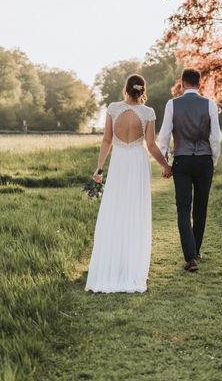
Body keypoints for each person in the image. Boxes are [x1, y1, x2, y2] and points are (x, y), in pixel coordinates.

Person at [85, 74, 172, 293]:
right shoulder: (148, 112)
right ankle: (132, 265)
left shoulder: (113, 108)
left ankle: (113, 264)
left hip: (119, 163)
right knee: (135, 211)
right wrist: (165, 165)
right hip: (137, 161)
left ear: (126, 89)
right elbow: (151, 145)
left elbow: (107, 140)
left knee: (115, 209)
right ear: (142, 90)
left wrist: (99, 169)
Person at [158, 68, 222, 272]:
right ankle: (196, 250)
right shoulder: (210, 104)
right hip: (204, 161)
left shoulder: (172, 104)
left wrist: (165, 162)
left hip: (182, 160)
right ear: (199, 83)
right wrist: (213, 159)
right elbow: (215, 137)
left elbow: (165, 135)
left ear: (182, 83)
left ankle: (190, 257)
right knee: (201, 207)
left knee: (183, 208)